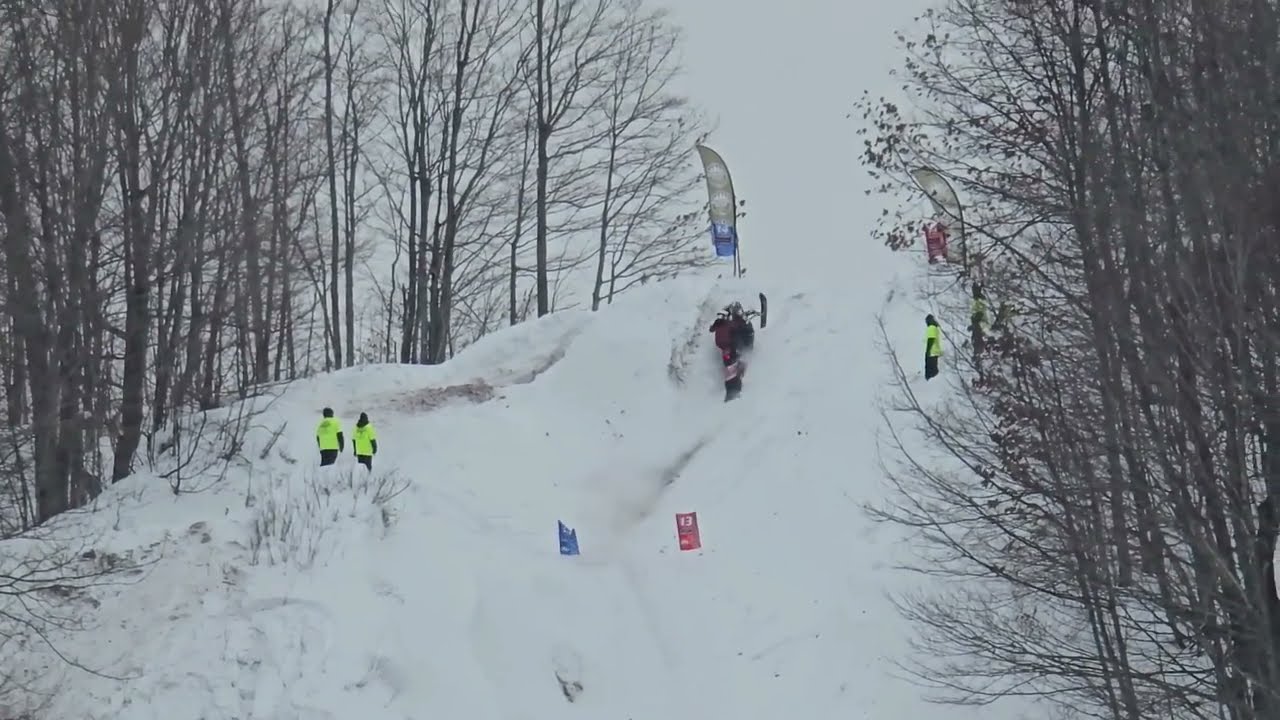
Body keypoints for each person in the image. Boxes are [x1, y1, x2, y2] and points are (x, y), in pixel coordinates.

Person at [924, 314, 943, 380]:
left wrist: (928, 351)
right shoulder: (936, 327)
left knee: (929, 368)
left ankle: (929, 381)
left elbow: (931, 339)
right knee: (934, 367)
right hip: (936, 351)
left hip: (931, 352)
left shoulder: (931, 328)